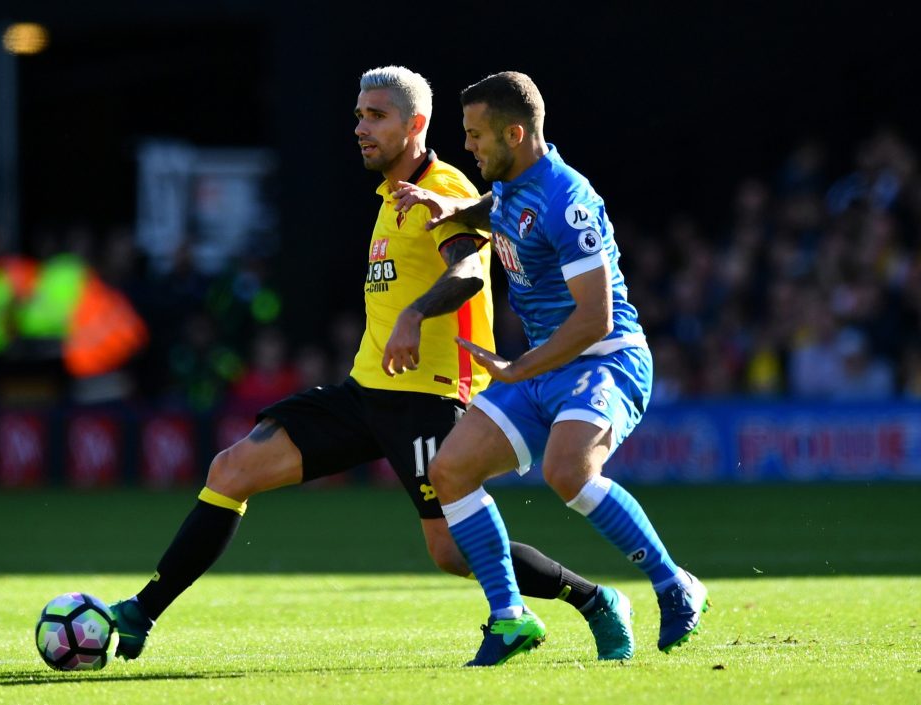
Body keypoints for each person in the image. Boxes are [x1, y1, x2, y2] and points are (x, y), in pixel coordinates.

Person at [108, 66, 635, 663]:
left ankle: (594, 600)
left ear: (415, 125)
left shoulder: (450, 187)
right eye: (358, 115)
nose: (360, 127)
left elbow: (466, 271)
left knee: (450, 552)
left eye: (376, 116)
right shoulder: (391, 196)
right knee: (232, 468)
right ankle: (142, 610)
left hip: (431, 396)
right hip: (365, 393)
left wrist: (414, 315)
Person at [392, 71, 709, 667]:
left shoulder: (569, 200)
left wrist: (517, 369)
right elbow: (505, 210)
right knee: (451, 471)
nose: (469, 146)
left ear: (515, 132)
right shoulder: (514, 182)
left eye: (477, 135)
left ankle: (674, 583)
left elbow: (595, 319)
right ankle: (510, 617)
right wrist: (457, 208)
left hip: (605, 359)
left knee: (568, 471)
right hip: (544, 364)